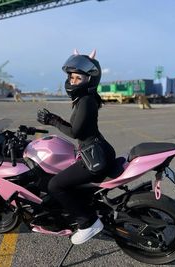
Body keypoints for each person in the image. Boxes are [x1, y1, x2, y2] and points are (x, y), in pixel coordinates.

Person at [37, 49, 116, 245]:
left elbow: (76, 132)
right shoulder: (86, 98)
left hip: (94, 158)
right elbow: (78, 127)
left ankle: (88, 222)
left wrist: (52, 120)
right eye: (71, 77)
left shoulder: (86, 101)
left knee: (55, 184)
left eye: (77, 77)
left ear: (88, 79)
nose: (72, 81)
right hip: (97, 151)